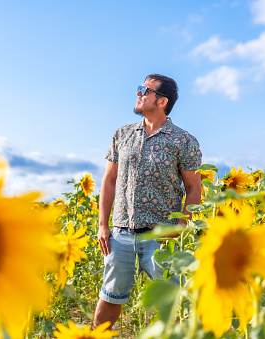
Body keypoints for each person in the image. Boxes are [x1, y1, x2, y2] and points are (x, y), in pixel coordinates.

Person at [93, 74, 202, 329]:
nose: (138, 93)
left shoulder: (183, 140)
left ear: (162, 101)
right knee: (109, 298)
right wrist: (103, 225)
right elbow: (109, 181)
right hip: (120, 235)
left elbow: (193, 188)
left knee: (169, 304)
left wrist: (180, 228)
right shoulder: (122, 134)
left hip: (162, 237)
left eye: (145, 89)